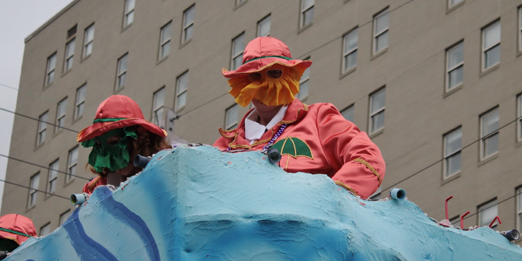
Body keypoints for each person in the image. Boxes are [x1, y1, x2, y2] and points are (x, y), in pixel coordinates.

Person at [213, 37, 385, 199]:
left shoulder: (319, 119)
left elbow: (367, 158)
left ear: (290, 76)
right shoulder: (225, 145)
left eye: (274, 73)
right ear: (242, 82)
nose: (264, 84)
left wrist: (329, 199)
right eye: (255, 75)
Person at [78, 95, 171, 196]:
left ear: (139, 138)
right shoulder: (94, 190)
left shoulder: (167, 170)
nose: (109, 156)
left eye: (114, 142)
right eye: (100, 145)